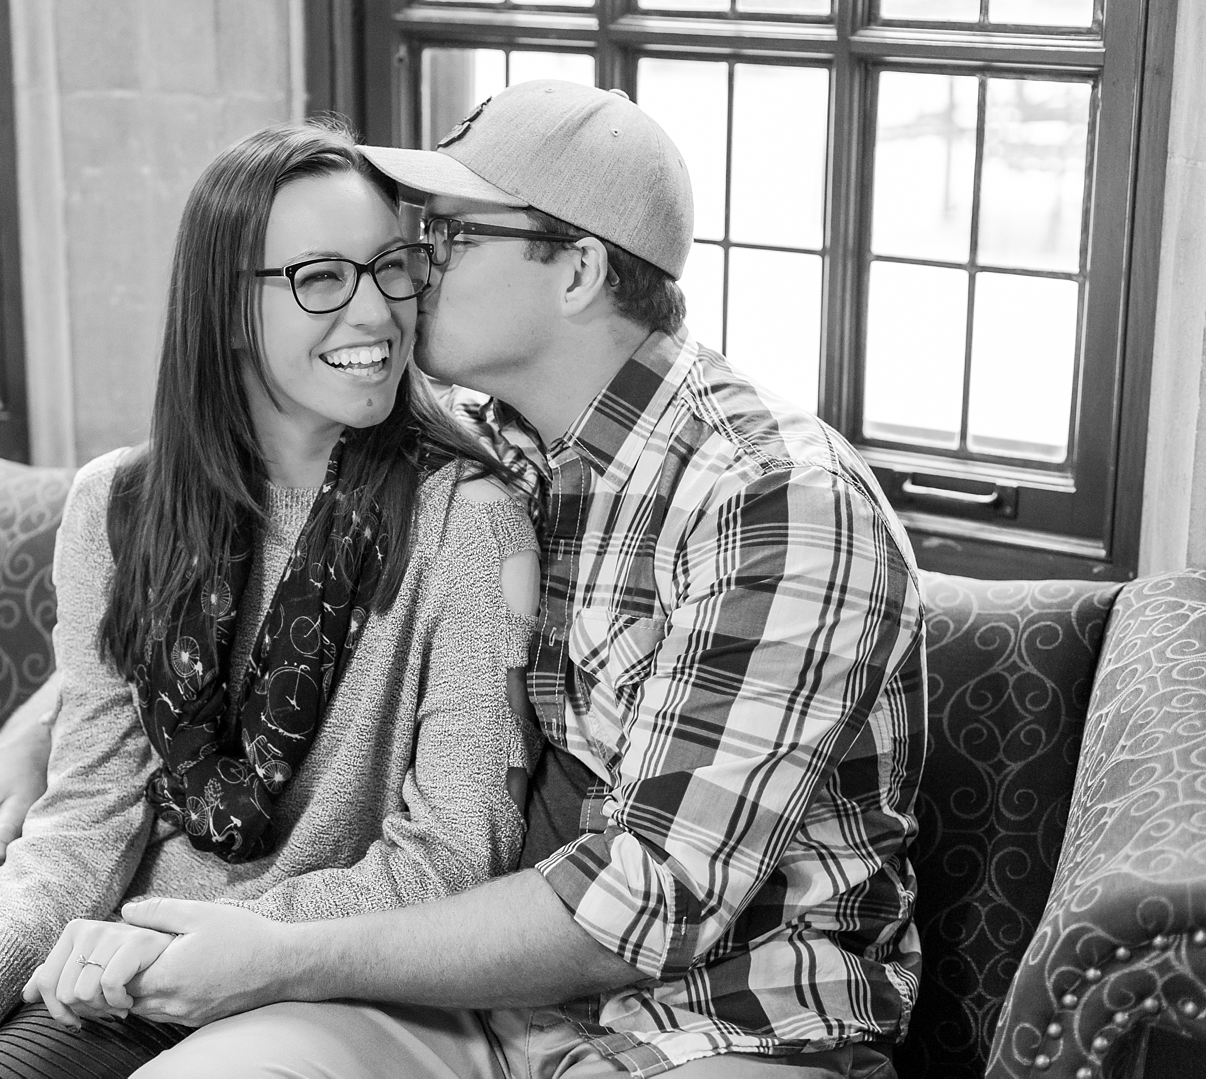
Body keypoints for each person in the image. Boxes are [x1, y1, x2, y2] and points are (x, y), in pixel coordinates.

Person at [111, 80, 928, 1079]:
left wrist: (282, 956)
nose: (411, 269)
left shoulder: (774, 503)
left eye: (449, 232)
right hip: (472, 1016)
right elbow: (231, 550)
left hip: (721, 1029)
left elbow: (645, 902)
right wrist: (60, 725)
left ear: (577, 267)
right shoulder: (488, 444)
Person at [0, 121, 543, 1078]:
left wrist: (198, 940)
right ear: (227, 308)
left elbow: (454, 856)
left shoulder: (467, 524)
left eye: (391, 267)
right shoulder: (118, 507)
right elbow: (87, 808)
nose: (375, 313)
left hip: (238, 952)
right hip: (74, 885)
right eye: (321, 278)